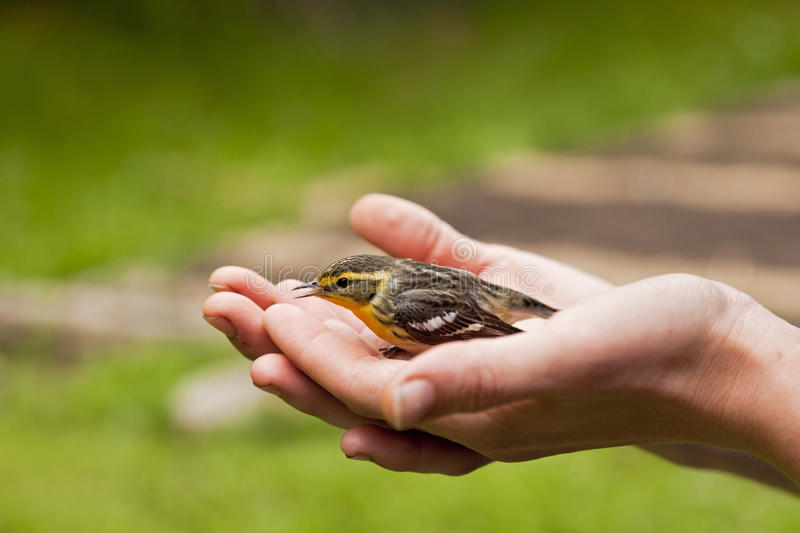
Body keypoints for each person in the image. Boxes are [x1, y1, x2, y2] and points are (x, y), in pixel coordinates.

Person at [202, 194, 800, 494]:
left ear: (368, 288)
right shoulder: (381, 300)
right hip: (476, 300)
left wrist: (509, 336)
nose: (327, 295)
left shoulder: (394, 307)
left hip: (482, 309)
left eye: (340, 288)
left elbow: (468, 319)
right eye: (325, 289)